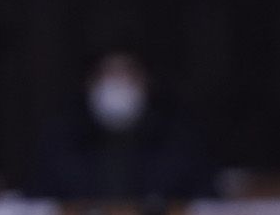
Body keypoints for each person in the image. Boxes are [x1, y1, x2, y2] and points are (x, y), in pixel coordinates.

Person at [32, 49, 214, 203]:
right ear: (90, 83)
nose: (118, 84)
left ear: (145, 81)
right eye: (108, 74)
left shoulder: (178, 140)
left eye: (127, 74)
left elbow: (204, 202)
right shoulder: (61, 140)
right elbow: (37, 203)